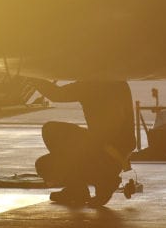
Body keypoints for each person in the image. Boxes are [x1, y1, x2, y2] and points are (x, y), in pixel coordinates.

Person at [32, 79, 135, 207]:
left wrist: (32, 79)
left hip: (103, 152)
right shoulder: (119, 82)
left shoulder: (91, 83)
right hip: (118, 153)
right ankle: (97, 182)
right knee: (53, 131)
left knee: (45, 160)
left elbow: (56, 94)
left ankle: (88, 185)